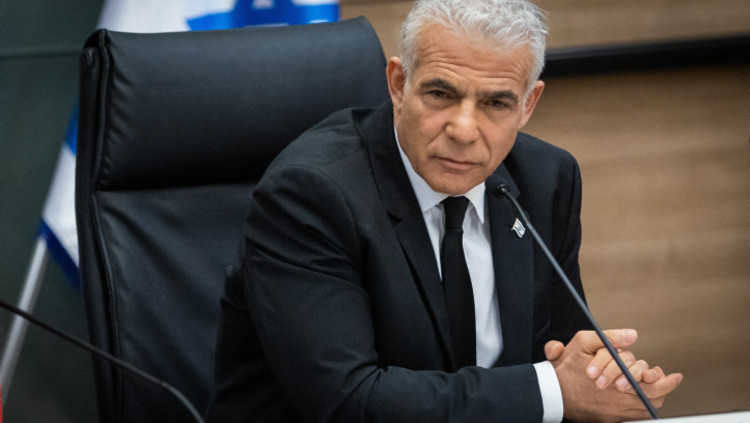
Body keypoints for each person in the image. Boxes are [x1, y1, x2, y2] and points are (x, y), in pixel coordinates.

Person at [205, 0, 682, 421]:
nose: (463, 129)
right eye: (440, 94)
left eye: (496, 103)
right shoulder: (311, 195)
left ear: (528, 105)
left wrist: (602, 381)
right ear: (398, 84)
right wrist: (555, 391)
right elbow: (350, 402)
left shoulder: (544, 180)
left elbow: (563, 356)